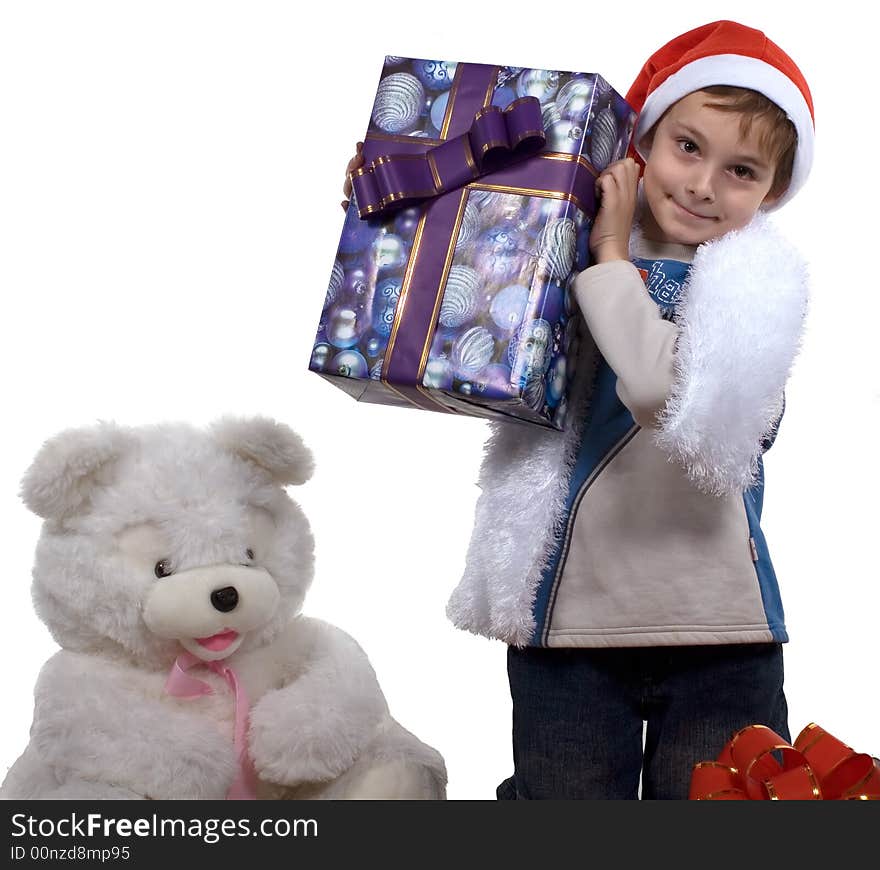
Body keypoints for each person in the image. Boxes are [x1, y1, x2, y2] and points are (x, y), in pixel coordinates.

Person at [342, 20, 815, 798]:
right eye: (687, 148)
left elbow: (667, 391)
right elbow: (455, 312)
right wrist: (397, 196)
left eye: (741, 170)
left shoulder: (756, 298)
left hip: (718, 629)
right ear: (642, 140)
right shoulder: (556, 244)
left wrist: (610, 257)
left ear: (770, 194)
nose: (702, 184)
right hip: (567, 626)